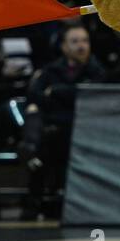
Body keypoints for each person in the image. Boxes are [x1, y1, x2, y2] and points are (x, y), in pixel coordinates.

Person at [18, 24, 106, 219]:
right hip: (55, 124)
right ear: (64, 46)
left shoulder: (97, 70)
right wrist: (66, 93)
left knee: (49, 138)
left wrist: (56, 92)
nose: (81, 46)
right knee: (36, 115)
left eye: (84, 41)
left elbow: (90, 95)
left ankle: (32, 151)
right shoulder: (51, 70)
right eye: (75, 42)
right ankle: (32, 152)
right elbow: (34, 95)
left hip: (83, 125)